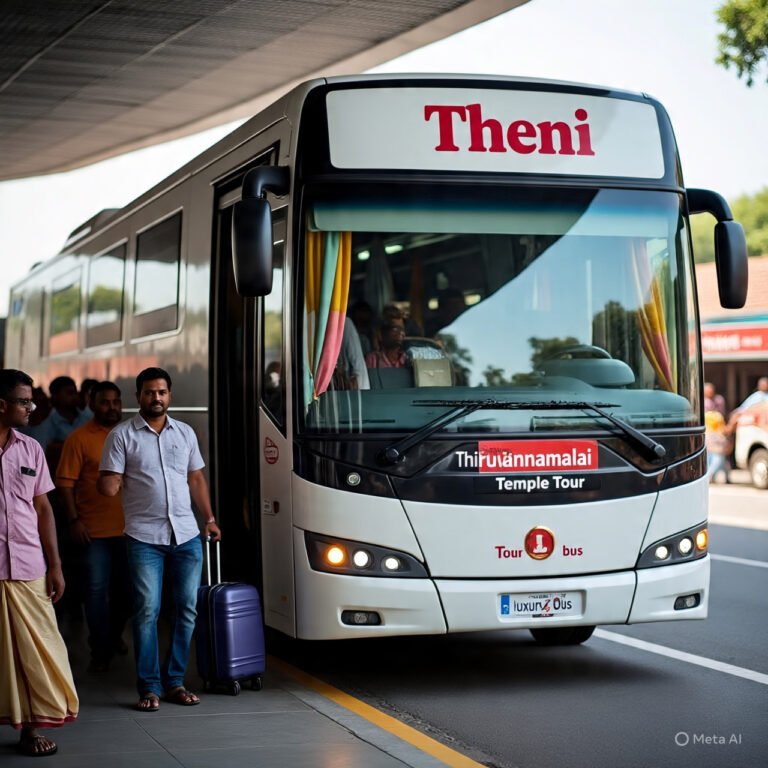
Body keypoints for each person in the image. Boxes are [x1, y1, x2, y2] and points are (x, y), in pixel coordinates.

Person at [97, 367, 221, 712]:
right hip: (144, 537)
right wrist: (108, 484)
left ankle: (175, 682)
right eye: (149, 392)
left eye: (162, 392)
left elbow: (195, 478)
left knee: (186, 610)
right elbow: (109, 481)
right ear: (138, 396)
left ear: (170, 395)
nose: (156, 398)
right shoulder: (122, 436)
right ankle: (149, 687)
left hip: (186, 535)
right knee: (147, 611)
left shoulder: (184, 433)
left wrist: (209, 519)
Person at [0, 369, 78, 757]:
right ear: (1, 405)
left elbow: (43, 508)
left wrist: (56, 566)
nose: (32, 407)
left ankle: (30, 730)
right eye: (23, 401)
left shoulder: (30, 449)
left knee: (37, 652)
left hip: (29, 566)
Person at [55, 381, 130, 673]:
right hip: (94, 532)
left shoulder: (130, 435)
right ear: (92, 404)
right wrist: (74, 520)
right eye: (104, 402)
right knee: (96, 592)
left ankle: (111, 638)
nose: (111, 407)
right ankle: (100, 648)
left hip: (130, 531)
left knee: (126, 593)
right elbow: (64, 484)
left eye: (115, 402)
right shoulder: (79, 439)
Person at [705, 410, 731, 483]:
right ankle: (710, 476)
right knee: (715, 464)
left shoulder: (719, 433)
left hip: (717, 453)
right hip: (715, 453)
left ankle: (711, 476)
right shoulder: (713, 433)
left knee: (719, 464)